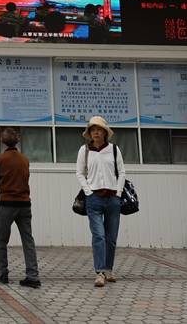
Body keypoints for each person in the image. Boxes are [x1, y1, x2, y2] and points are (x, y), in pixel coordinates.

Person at [0, 128, 41, 288]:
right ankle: (32, 276)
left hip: (6, 204)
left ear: (2, 141)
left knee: (1, 240)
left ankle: (2, 273)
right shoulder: (25, 160)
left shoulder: (0, 159)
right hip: (24, 204)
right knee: (28, 240)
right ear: (17, 141)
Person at [75, 115, 125, 287]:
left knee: (111, 237)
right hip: (94, 199)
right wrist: (88, 191)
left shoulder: (114, 149)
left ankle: (109, 269)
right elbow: (79, 173)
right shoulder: (84, 150)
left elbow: (122, 172)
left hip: (113, 199)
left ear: (104, 132)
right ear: (89, 133)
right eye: (92, 130)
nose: (95, 133)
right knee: (99, 236)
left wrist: (118, 192)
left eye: (98, 130)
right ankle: (100, 272)